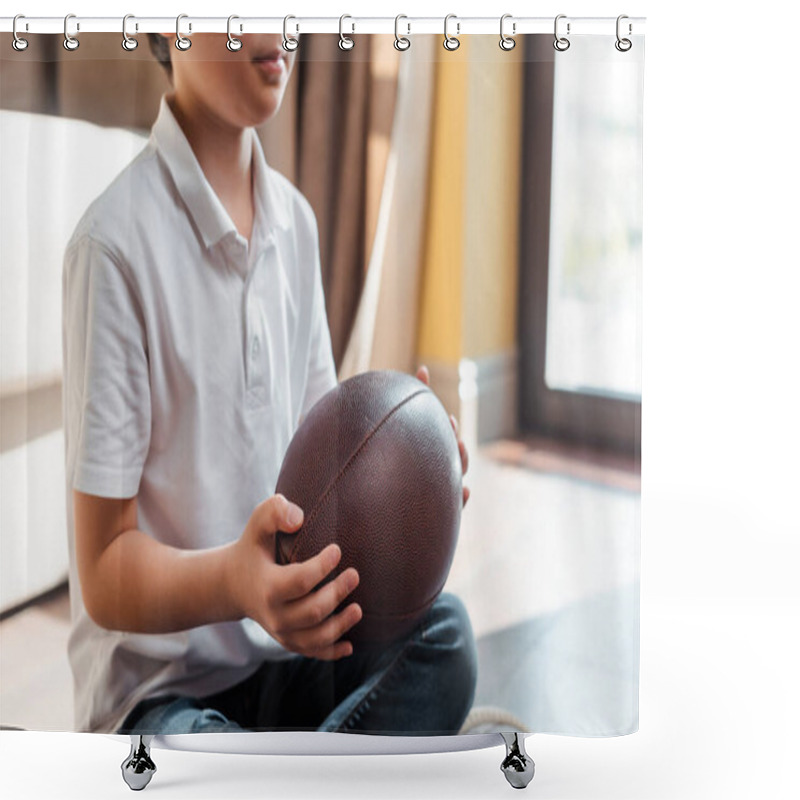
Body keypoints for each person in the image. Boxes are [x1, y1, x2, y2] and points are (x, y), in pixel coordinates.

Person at [62, 31, 477, 736]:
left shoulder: (296, 221)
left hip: (285, 658)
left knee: (447, 635)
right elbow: (103, 572)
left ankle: (285, 770)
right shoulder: (114, 245)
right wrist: (237, 584)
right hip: (162, 699)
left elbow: (320, 463)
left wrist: (410, 470)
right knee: (194, 745)